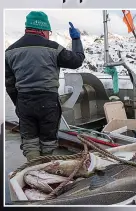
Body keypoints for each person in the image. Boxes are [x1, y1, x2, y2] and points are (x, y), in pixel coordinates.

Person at [5, 11, 85, 161]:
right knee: (48, 143)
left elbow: (9, 83)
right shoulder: (54, 49)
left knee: (30, 143)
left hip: (24, 101)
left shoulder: (9, 52)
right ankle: (45, 170)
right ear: (43, 29)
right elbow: (77, 61)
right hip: (48, 102)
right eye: (48, 32)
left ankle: (33, 170)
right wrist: (76, 39)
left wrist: (19, 103)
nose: (48, 35)